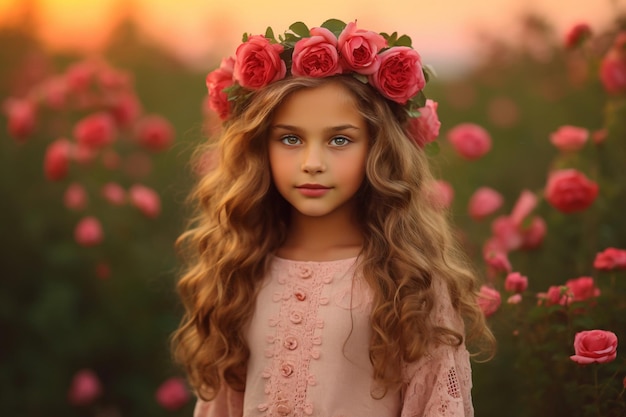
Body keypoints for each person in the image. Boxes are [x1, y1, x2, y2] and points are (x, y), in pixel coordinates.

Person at [172, 19, 495, 417]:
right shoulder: (242, 267)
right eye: (290, 139)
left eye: (339, 140)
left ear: (376, 149)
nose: (312, 164)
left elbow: (437, 406)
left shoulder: (410, 280)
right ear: (261, 148)